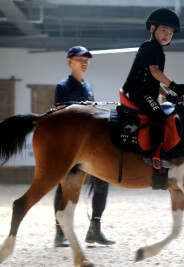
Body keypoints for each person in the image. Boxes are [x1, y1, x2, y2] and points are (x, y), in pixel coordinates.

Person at [53, 46, 115, 247]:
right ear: (70, 61)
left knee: (103, 181)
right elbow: (63, 114)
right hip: (69, 145)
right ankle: (60, 232)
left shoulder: (89, 87)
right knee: (64, 187)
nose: (85, 62)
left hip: (89, 145)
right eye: (81, 59)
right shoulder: (62, 87)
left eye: (87, 59)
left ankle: (94, 229)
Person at [122, 8, 184, 169]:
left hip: (147, 92)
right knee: (159, 116)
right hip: (139, 93)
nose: (167, 35)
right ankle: (156, 154)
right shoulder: (150, 47)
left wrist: (168, 96)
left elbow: (154, 80)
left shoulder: (158, 50)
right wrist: (173, 86)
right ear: (153, 29)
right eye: (164, 30)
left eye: (171, 33)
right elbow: (155, 72)